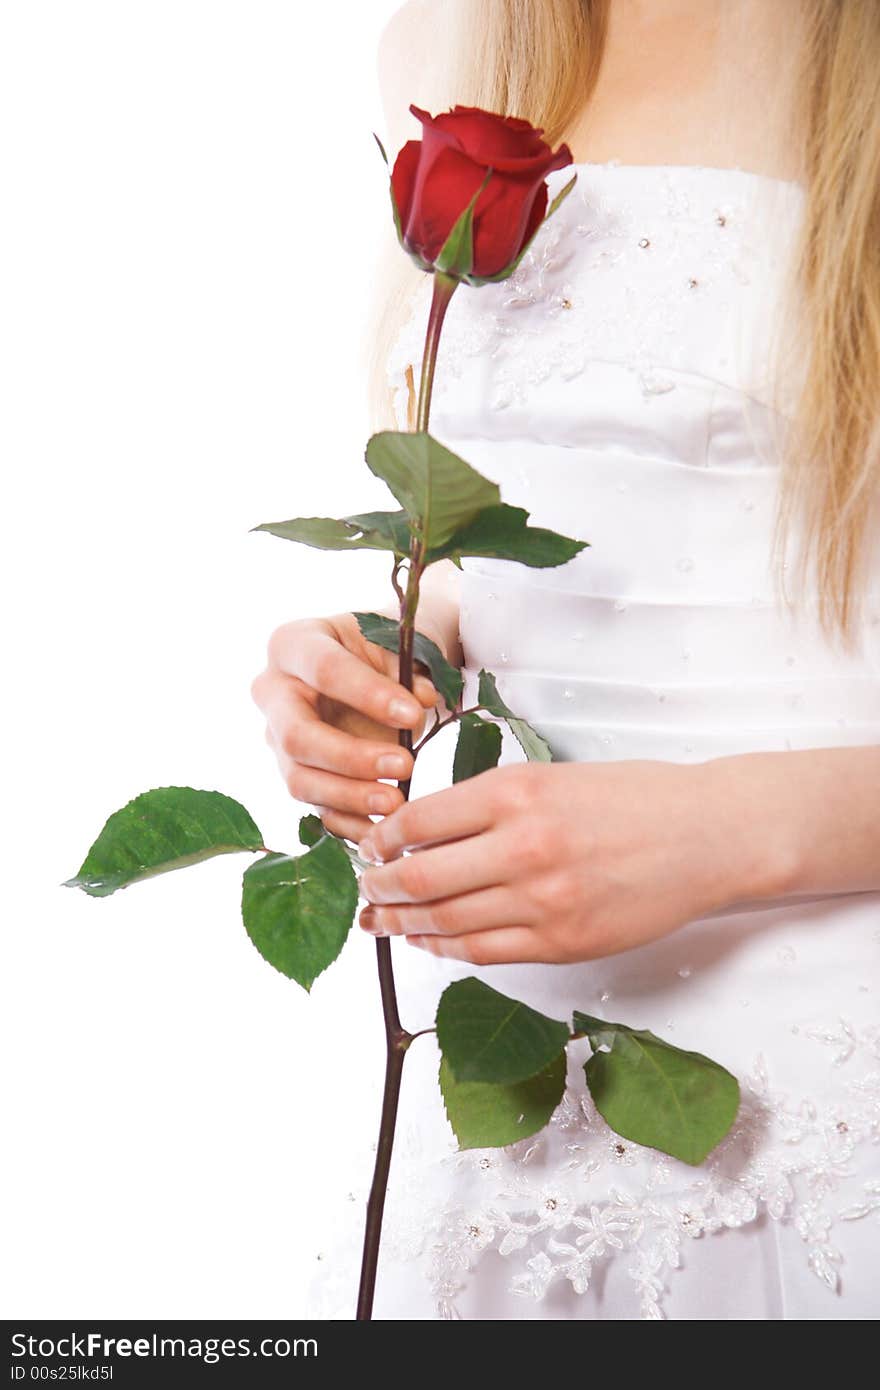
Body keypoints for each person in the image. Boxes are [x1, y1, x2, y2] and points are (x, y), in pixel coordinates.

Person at [251, 0, 880, 1319]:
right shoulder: (445, 45)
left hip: (837, 1041)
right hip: (512, 1061)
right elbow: (550, 511)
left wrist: (722, 828)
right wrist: (396, 649)